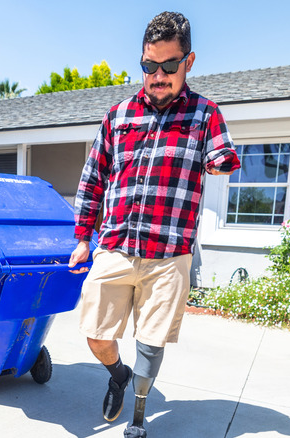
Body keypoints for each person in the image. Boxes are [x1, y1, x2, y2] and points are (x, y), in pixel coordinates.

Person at [68, 11, 240, 438]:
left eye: (168, 65)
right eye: (149, 65)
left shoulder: (205, 115)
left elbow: (223, 155)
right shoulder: (118, 115)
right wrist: (82, 238)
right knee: (95, 334)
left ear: (189, 61)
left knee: (152, 341)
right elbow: (92, 179)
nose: (158, 75)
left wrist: (220, 162)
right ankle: (117, 374)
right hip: (115, 246)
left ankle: (139, 419)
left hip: (169, 255)